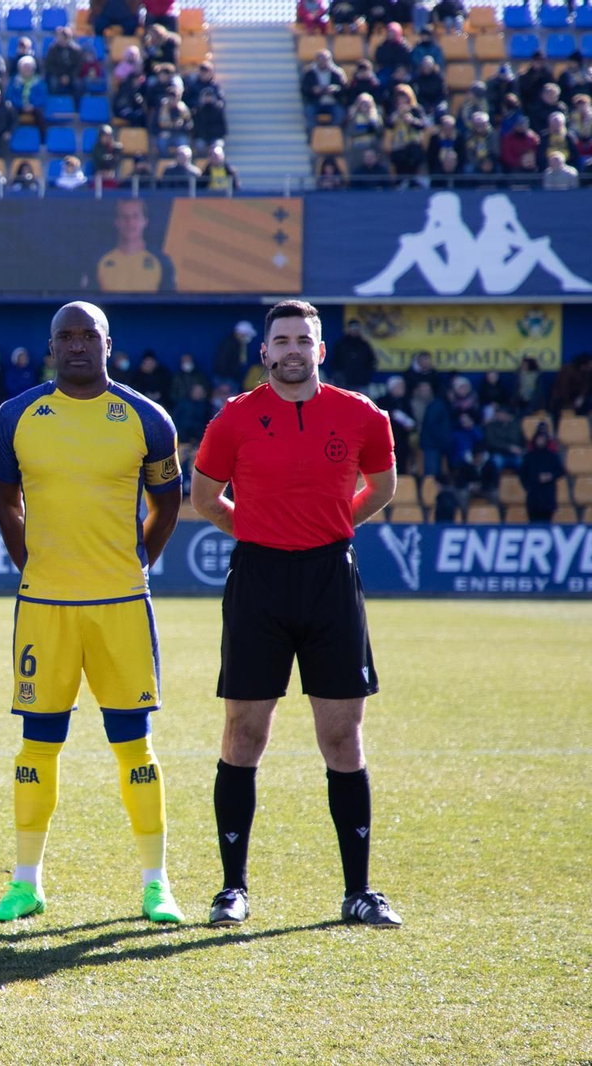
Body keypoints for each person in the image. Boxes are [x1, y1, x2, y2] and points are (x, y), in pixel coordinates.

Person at [189, 300, 402, 929]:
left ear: (320, 350)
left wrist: (331, 527)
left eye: (303, 339)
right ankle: (233, 890)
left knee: (342, 736)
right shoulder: (235, 418)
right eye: (280, 339)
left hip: (331, 579)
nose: (291, 349)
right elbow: (204, 498)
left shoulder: (362, 417)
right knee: (244, 735)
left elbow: (383, 487)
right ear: (264, 352)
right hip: (258, 581)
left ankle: (359, 891)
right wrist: (255, 530)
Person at [0, 302, 186, 926]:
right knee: (38, 744)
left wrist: (137, 562)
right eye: (64, 336)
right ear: (51, 346)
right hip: (45, 606)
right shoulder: (16, 417)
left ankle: (157, 885)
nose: (76, 345)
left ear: (107, 343)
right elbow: (4, 501)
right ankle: (26, 883)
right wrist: (29, 562)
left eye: (87, 335)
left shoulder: (147, 418)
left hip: (122, 605)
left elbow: (168, 502)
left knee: (134, 746)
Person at [93, 199, 175, 293]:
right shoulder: (99, 261)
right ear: (116, 222)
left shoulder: (162, 261)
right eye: (124, 217)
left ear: (145, 221)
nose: (130, 222)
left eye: (135, 216)